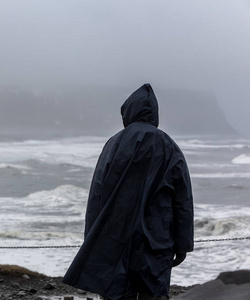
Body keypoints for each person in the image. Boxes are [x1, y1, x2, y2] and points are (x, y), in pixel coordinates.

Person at [62, 84, 194, 300]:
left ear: (128, 110)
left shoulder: (113, 144)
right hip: (157, 238)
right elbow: (182, 200)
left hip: (114, 238)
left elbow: (97, 195)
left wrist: (92, 238)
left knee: (116, 293)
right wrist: (183, 244)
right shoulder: (169, 146)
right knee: (153, 294)